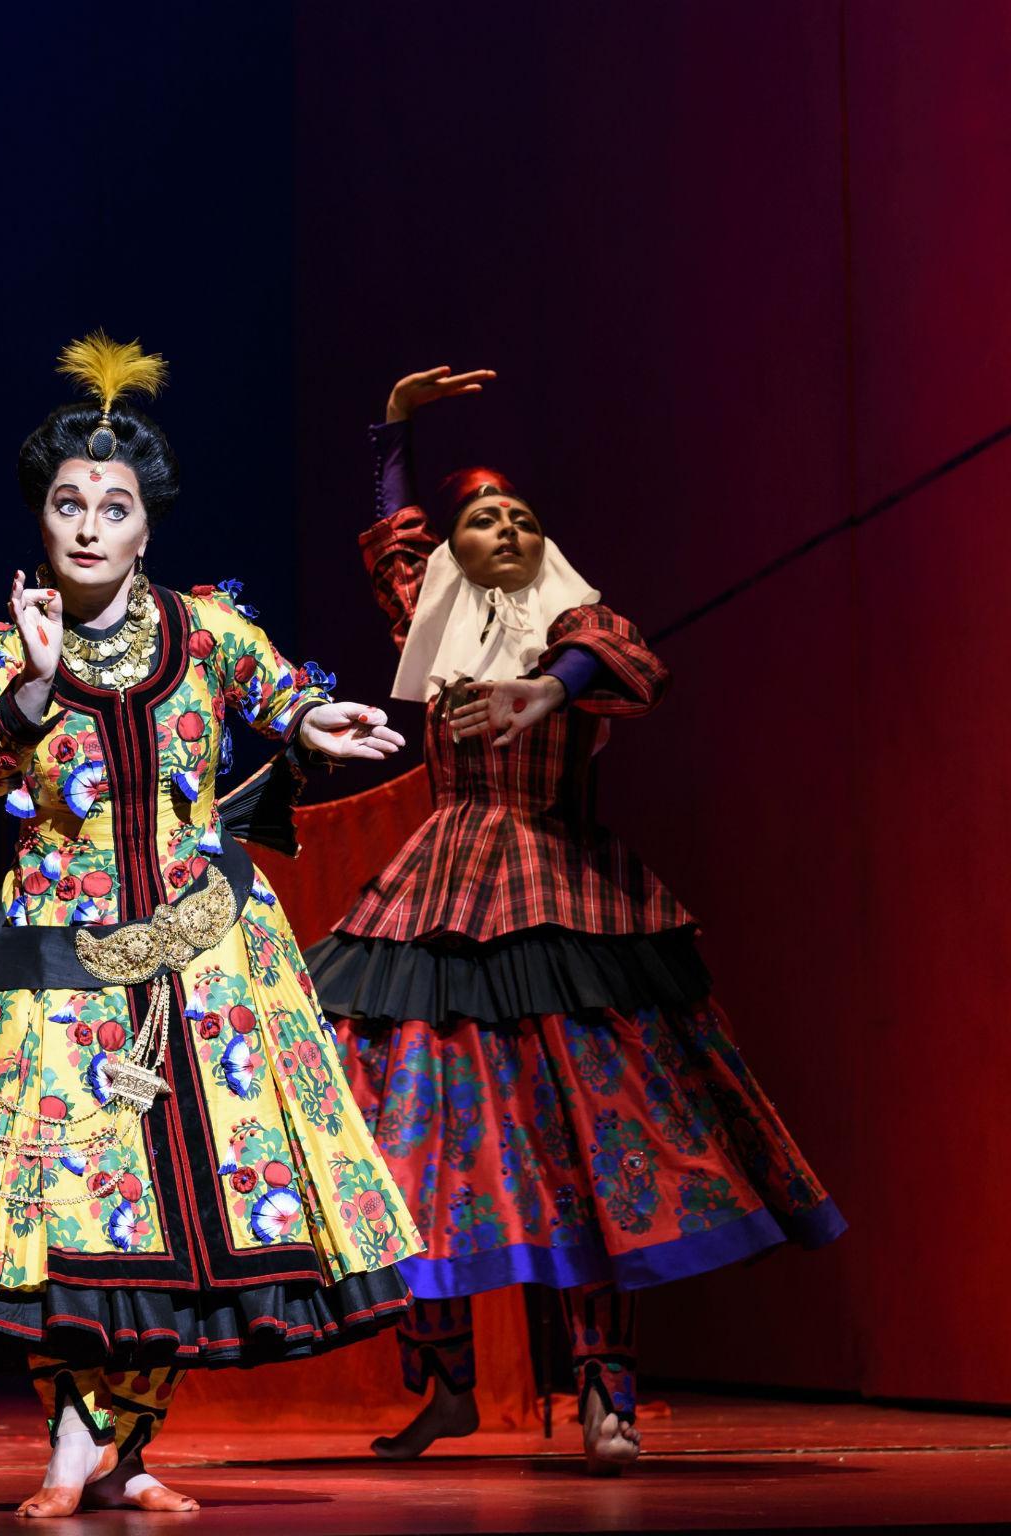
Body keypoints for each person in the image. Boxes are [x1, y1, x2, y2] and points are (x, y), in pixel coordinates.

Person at [0, 335, 424, 1517]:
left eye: (111, 508)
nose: (87, 526)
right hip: (58, 959)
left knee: (190, 1207)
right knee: (72, 1205)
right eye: (67, 504)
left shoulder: (204, 627)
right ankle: (79, 1443)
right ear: (40, 519)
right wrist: (40, 681)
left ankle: (118, 1447)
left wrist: (316, 726)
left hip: (203, 953)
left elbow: (278, 694)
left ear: (143, 530)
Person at [306, 368, 845, 1475]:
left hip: (555, 889)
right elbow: (392, 540)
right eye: (479, 519)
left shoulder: (577, 625)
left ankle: (607, 1393)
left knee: (589, 1142)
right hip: (437, 892)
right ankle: (447, 1384)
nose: (501, 526)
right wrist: (395, 428)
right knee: (409, 1130)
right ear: (451, 552)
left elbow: (624, 657)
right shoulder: (432, 616)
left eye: (519, 517)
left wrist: (543, 689)